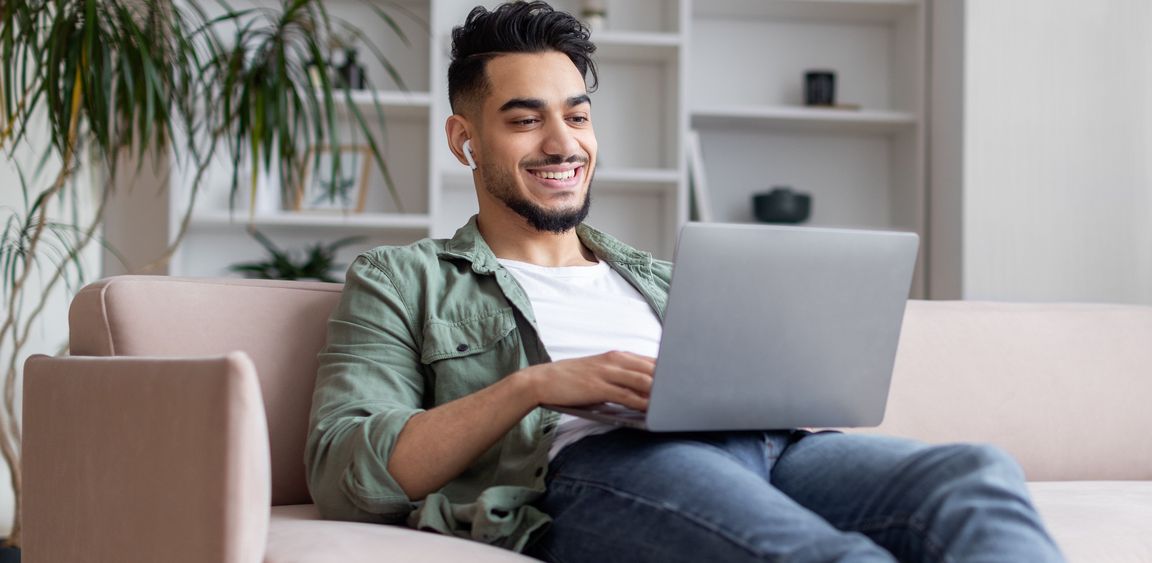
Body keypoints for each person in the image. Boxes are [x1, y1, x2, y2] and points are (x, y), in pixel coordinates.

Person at [304, 2, 1066, 561]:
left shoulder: (663, 275)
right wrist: (536, 385)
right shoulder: (401, 278)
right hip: (600, 460)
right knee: (814, 553)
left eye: (578, 114)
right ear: (465, 139)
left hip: (771, 447)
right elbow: (343, 470)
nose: (563, 142)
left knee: (975, 473)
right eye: (525, 119)